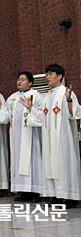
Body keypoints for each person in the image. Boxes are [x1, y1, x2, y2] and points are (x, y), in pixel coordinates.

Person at [0, 71, 44, 202]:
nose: (19, 81)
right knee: (18, 162)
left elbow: (41, 115)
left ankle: (35, 192)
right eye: (18, 79)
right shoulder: (12, 97)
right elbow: (4, 118)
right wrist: (0, 105)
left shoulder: (36, 96)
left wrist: (30, 108)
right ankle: (23, 191)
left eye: (23, 79)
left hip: (31, 134)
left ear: (30, 83)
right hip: (16, 136)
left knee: (32, 161)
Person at [41, 64, 81, 208]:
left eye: (51, 74)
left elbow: (75, 114)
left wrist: (69, 100)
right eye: (46, 74)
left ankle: (70, 196)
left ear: (60, 76)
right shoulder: (46, 96)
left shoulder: (66, 92)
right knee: (51, 164)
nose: (47, 77)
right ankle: (56, 195)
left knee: (65, 164)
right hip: (49, 138)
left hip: (64, 139)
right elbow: (41, 118)